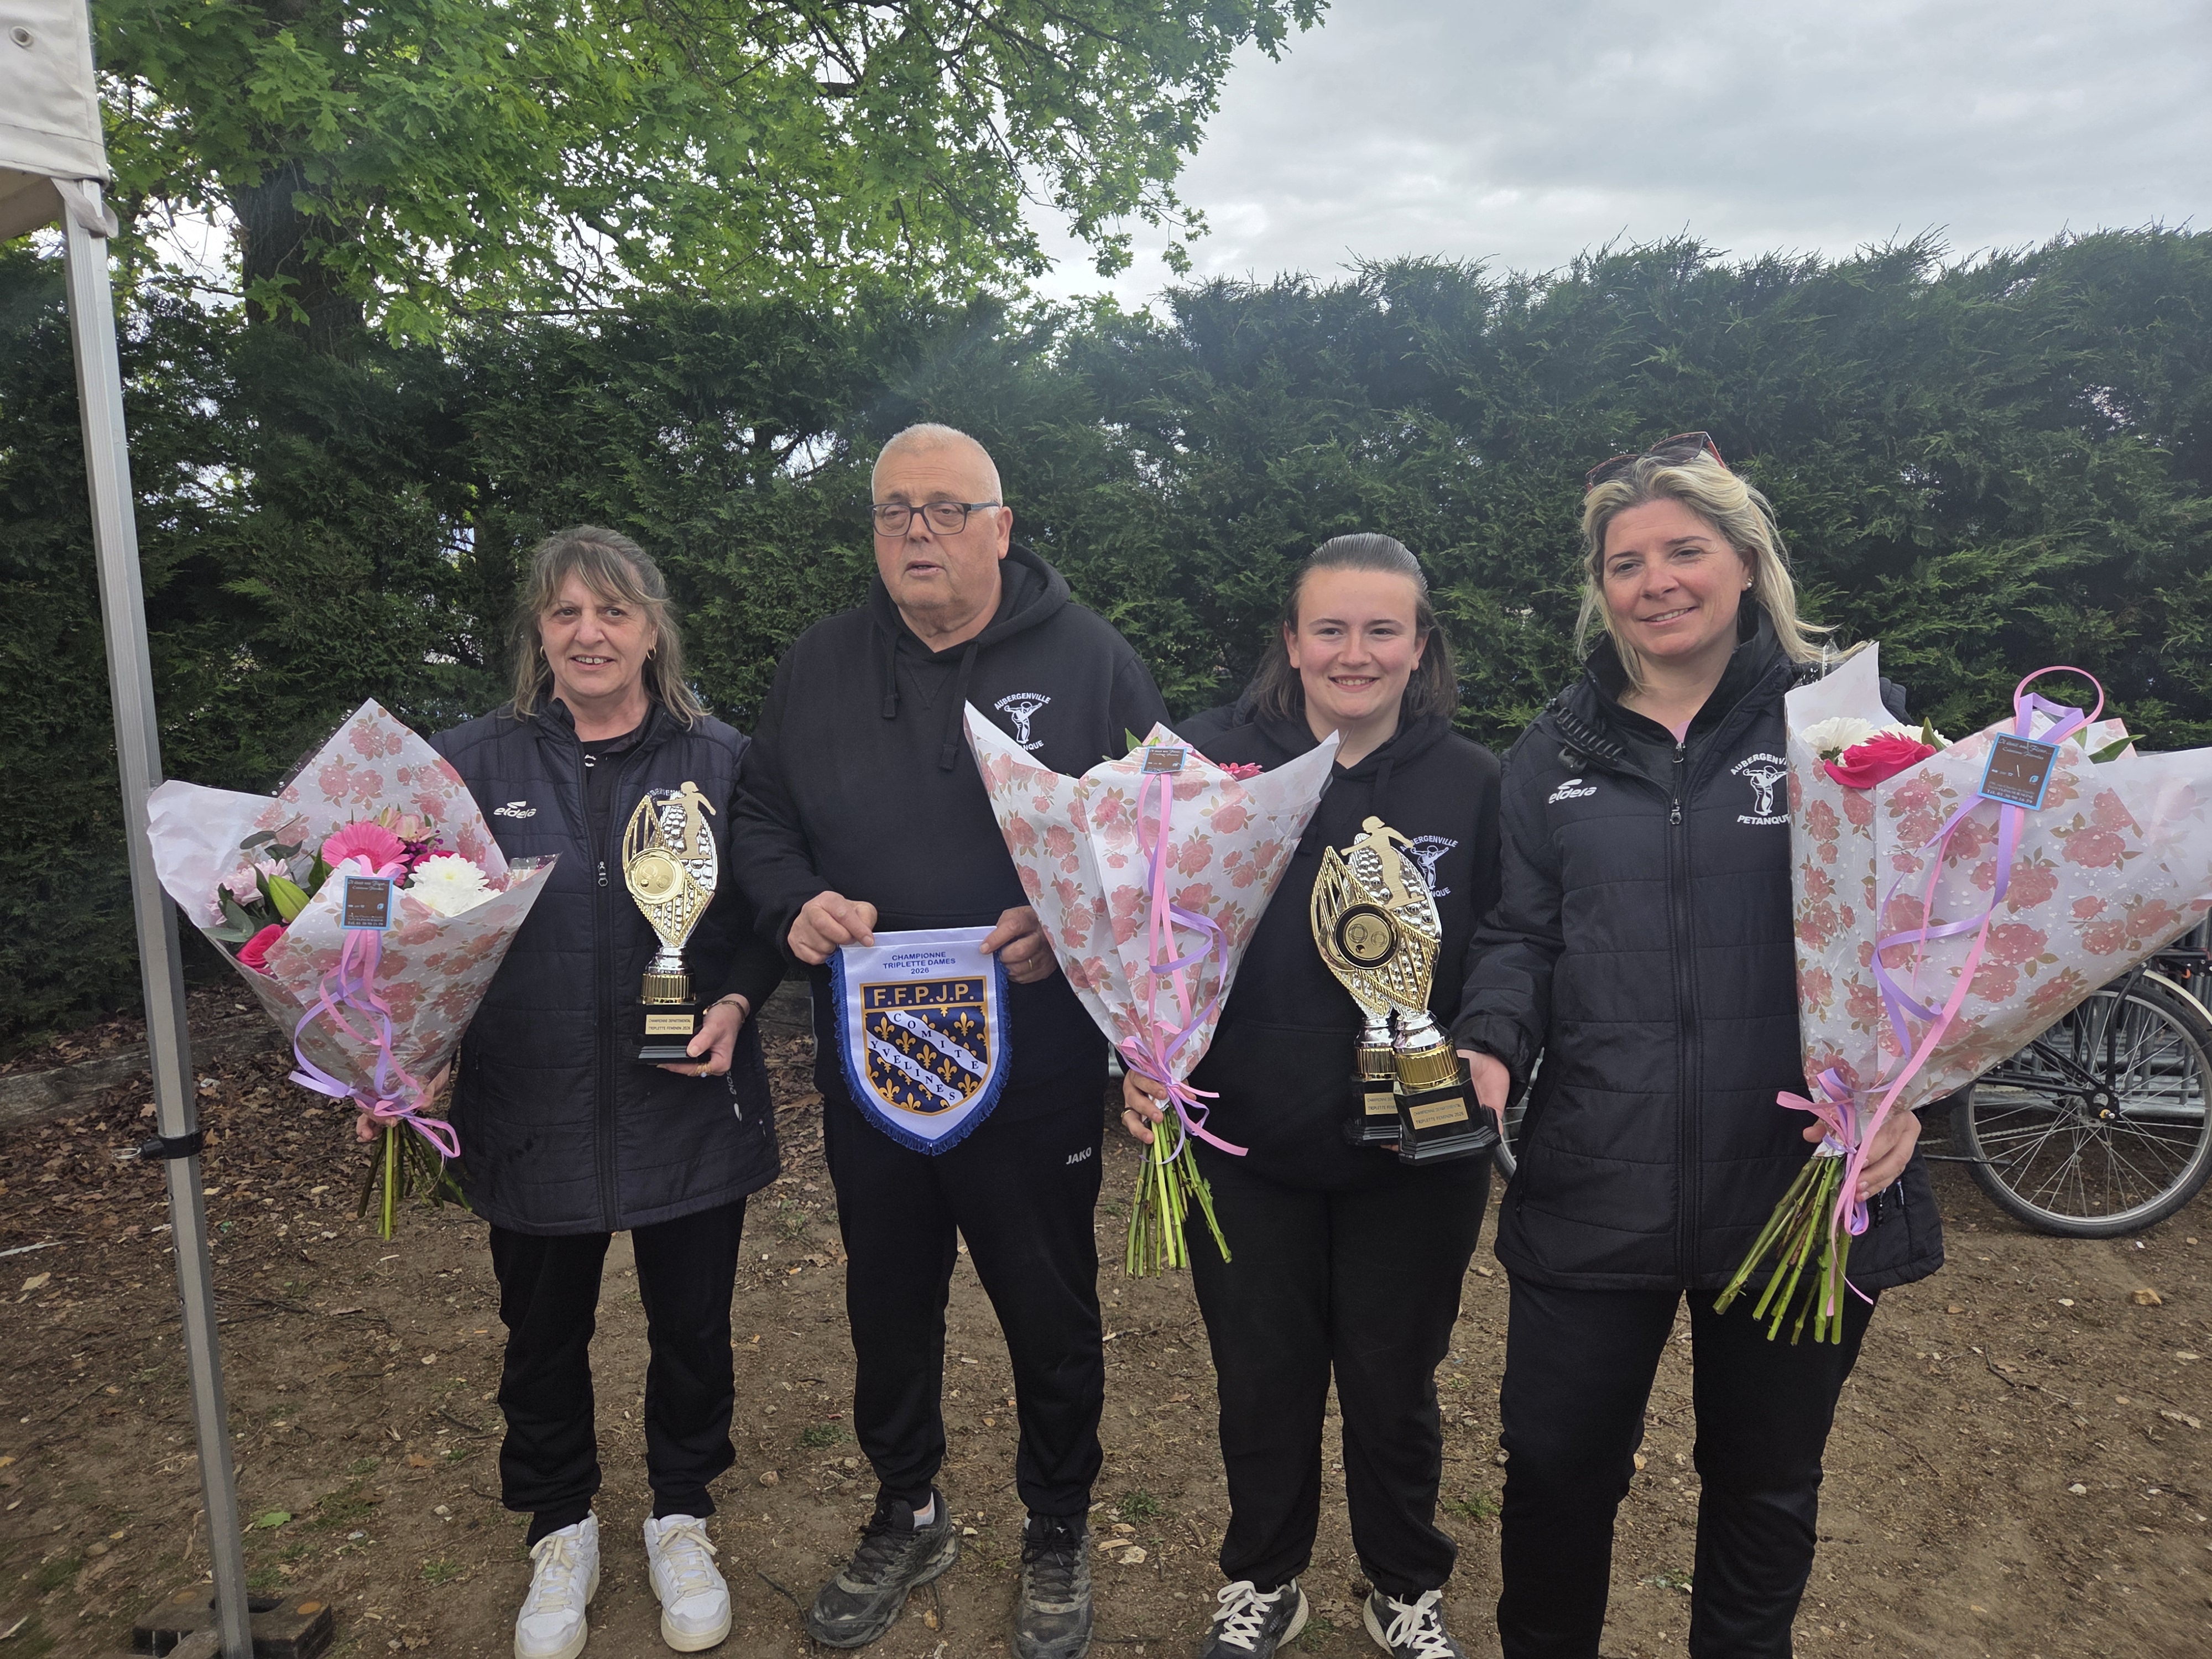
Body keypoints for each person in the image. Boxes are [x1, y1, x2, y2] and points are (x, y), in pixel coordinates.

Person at [1452, 435, 1944, 1659]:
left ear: (1743, 562)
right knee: (1555, 1474)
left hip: (1793, 1185)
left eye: (1684, 550)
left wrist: (1915, 1092)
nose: (1655, 581)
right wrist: (1488, 1046)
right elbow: (1516, 933)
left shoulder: (1844, 730)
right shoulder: (1548, 752)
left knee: (1764, 1487)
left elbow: (1934, 945)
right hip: (1591, 1180)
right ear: (1599, 587)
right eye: (1626, 562)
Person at [730, 423, 1170, 1658]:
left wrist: (1068, 925)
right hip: (872, 1061)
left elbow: (1152, 838)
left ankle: (1056, 1521)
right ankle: (906, 1505)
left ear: (1000, 526)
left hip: (1030, 1063)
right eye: (891, 512)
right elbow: (759, 820)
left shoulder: (1090, 664)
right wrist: (789, 904)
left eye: (942, 509)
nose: (915, 533)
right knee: (886, 1297)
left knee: (1045, 1300)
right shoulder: (817, 666)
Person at [1121, 534, 1503, 1659]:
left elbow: (1517, 944)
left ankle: (1402, 1584)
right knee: (1259, 1382)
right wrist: (1138, 1060)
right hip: (1243, 1144)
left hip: (1419, 1151)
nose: (1354, 651)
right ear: (1290, 642)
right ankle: (1264, 1578)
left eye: (1381, 628)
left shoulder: (1474, 782)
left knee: (1395, 1385)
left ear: (1417, 645)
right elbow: (1139, 937)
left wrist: (1489, 1044)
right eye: (1328, 628)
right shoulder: (1199, 767)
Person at [427, 526, 787, 1659]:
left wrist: (729, 1003)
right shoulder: (465, 766)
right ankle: (560, 1524)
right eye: (567, 612)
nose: (589, 633)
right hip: (524, 1109)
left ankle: (681, 1512)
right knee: (538, 1334)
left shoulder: (723, 760)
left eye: (613, 611)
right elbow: (411, 927)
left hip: (685, 1106)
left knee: (692, 1329)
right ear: (539, 630)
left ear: (651, 628)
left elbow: (762, 920)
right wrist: (411, 1042)